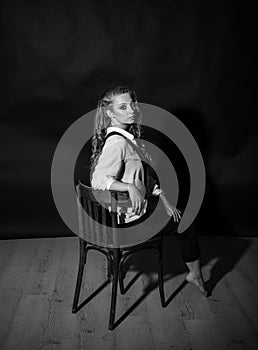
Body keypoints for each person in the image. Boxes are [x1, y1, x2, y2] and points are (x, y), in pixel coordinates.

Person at [90, 86, 207, 296]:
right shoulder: (117, 143)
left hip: (133, 214)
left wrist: (163, 198)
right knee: (187, 220)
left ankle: (193, 273)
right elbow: (97, 180)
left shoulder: (127, 140)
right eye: (123, 107)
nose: (131, 110)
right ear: (109, 112)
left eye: (132, 105)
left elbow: (144, 178)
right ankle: (195, 275)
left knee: (179, 213)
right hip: (131, 222)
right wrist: (128, 187)